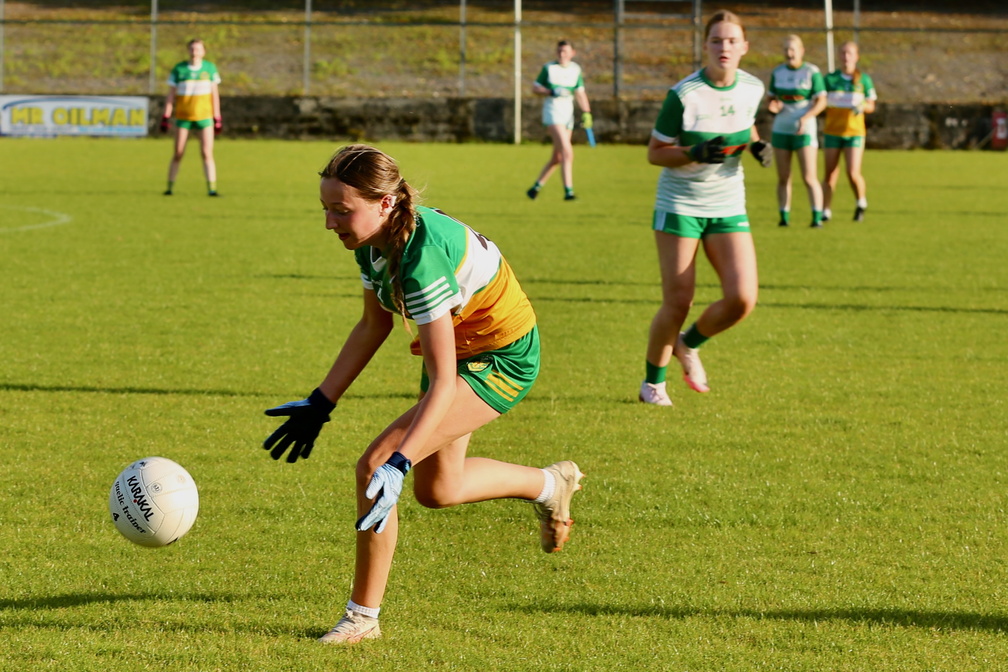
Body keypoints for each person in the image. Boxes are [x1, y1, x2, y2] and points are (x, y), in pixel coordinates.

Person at [262, 144, 583, 645]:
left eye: (341, 210)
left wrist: (398, 461)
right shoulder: (372, 241)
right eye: (325, 208)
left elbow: (442, 381)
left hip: (501, 357)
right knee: (438, 491)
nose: (329, 222)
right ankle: (548, 484)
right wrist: (320, 402)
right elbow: (373, 325)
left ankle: (362, 618)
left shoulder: (421, 259)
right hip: (460, 350)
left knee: (375, 465)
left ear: (385, 203)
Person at [638, 10, 771, 407]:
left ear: (744, 47)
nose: (724, 47)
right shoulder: (684, 95)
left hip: (728, 203)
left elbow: (746, 126)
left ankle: (688, 343)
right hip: (680, 205)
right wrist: (694, 152)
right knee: (679, 301)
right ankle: (652, 385)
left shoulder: (752, 88)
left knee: (743, 298)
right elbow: (655, 154)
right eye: (716, 40)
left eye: (732, 41)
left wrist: (757, 144)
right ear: (705, 46)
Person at [766, 35, 827, 228]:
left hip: (804, 130)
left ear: (801, 51)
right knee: (783, 177)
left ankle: (816, 216)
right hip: (781, 129)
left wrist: (806, 117)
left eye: (793, 49)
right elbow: (771, 100)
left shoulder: (811, 72)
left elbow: (821, 101)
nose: (789, 53)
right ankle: (784, 216)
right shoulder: (778, 72)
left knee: (809, 176)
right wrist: (773, 106)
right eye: (786, 49)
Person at [526, 40, 593, 201]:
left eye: (565, 51)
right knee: (567, 151)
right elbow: (535, 88)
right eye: (559, 51)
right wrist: (551, 91)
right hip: (552, 114)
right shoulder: (549, 68)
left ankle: (535, 187)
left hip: (567, 114)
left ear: (572, 53)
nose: (562, 55)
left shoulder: (575, 69)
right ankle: (568, 191)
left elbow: (580, 93)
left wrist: (587, 113)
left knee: (557, 157)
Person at [822, 40, 877, 222]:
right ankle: (825, 210)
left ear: (856, 57)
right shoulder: (829, 79)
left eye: (850, 53)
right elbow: (820, 102)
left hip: (854, 133)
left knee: (852, 172)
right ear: (839, 56)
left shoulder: (864, 80)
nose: (846, 57)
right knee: (830, 174)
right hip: (832, 132)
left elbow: (871, 105)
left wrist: (862, 105)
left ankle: (861, 202)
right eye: (843, 53)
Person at [160, 39, 222, 196]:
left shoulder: (209, 68)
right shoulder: (179, 69)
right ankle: (169, 188)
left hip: (204, 117)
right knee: (178, 152)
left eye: (198, 49)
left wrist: (217, 117)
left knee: (206, 153)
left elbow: (215, 95)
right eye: (192, 49)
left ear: (203, 52)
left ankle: (212, 189)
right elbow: (171, 96)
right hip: (183, 118)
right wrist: (166, 116)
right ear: (188, 51)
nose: (195, 52)